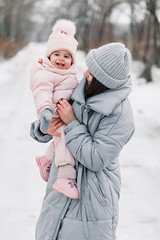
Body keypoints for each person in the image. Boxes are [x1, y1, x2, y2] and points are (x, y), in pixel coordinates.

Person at [31, 42, 135, 240]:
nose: (86, 72)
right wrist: (45, 128)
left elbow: (95, 159)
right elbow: (58, 116)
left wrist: (72, 124)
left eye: (93, 71)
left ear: (105, 81)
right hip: (61, 185)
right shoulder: (85, 88)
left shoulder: (121, 115)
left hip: (92, 197)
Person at [30, 19, 79, 199]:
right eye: (57, 54)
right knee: (66, 142)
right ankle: (65, 177)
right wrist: (44, 111)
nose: (61, 59)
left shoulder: (71, 74)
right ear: (49, 56)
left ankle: (47, 160)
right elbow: (41, 91)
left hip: (64, 114)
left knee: (59, 141)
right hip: (52, 115)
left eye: (67, 56)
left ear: (72, 61)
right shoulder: (46, 73)